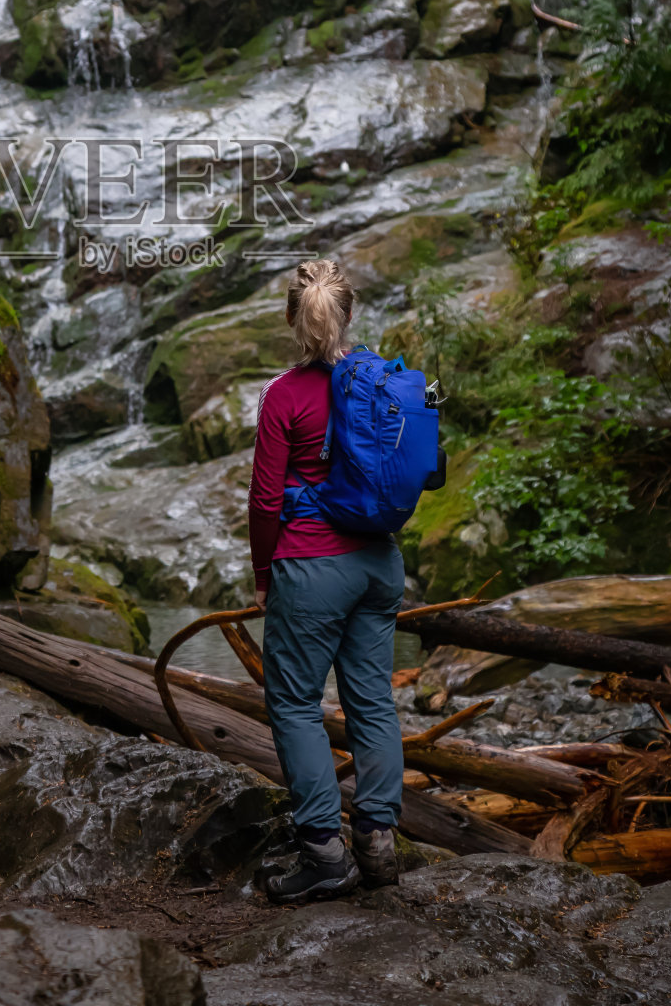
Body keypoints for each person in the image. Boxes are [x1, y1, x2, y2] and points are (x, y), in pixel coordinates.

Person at [249, 259, 405, 903]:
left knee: (293, 704)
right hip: (379, 563)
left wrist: (265, 573)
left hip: (311, 567)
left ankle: (322, 854)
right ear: (350, 314)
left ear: (292, 318)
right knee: (371, 701)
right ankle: (377, 842)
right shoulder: (381, 381)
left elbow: (265, 501)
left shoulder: (285, 394)